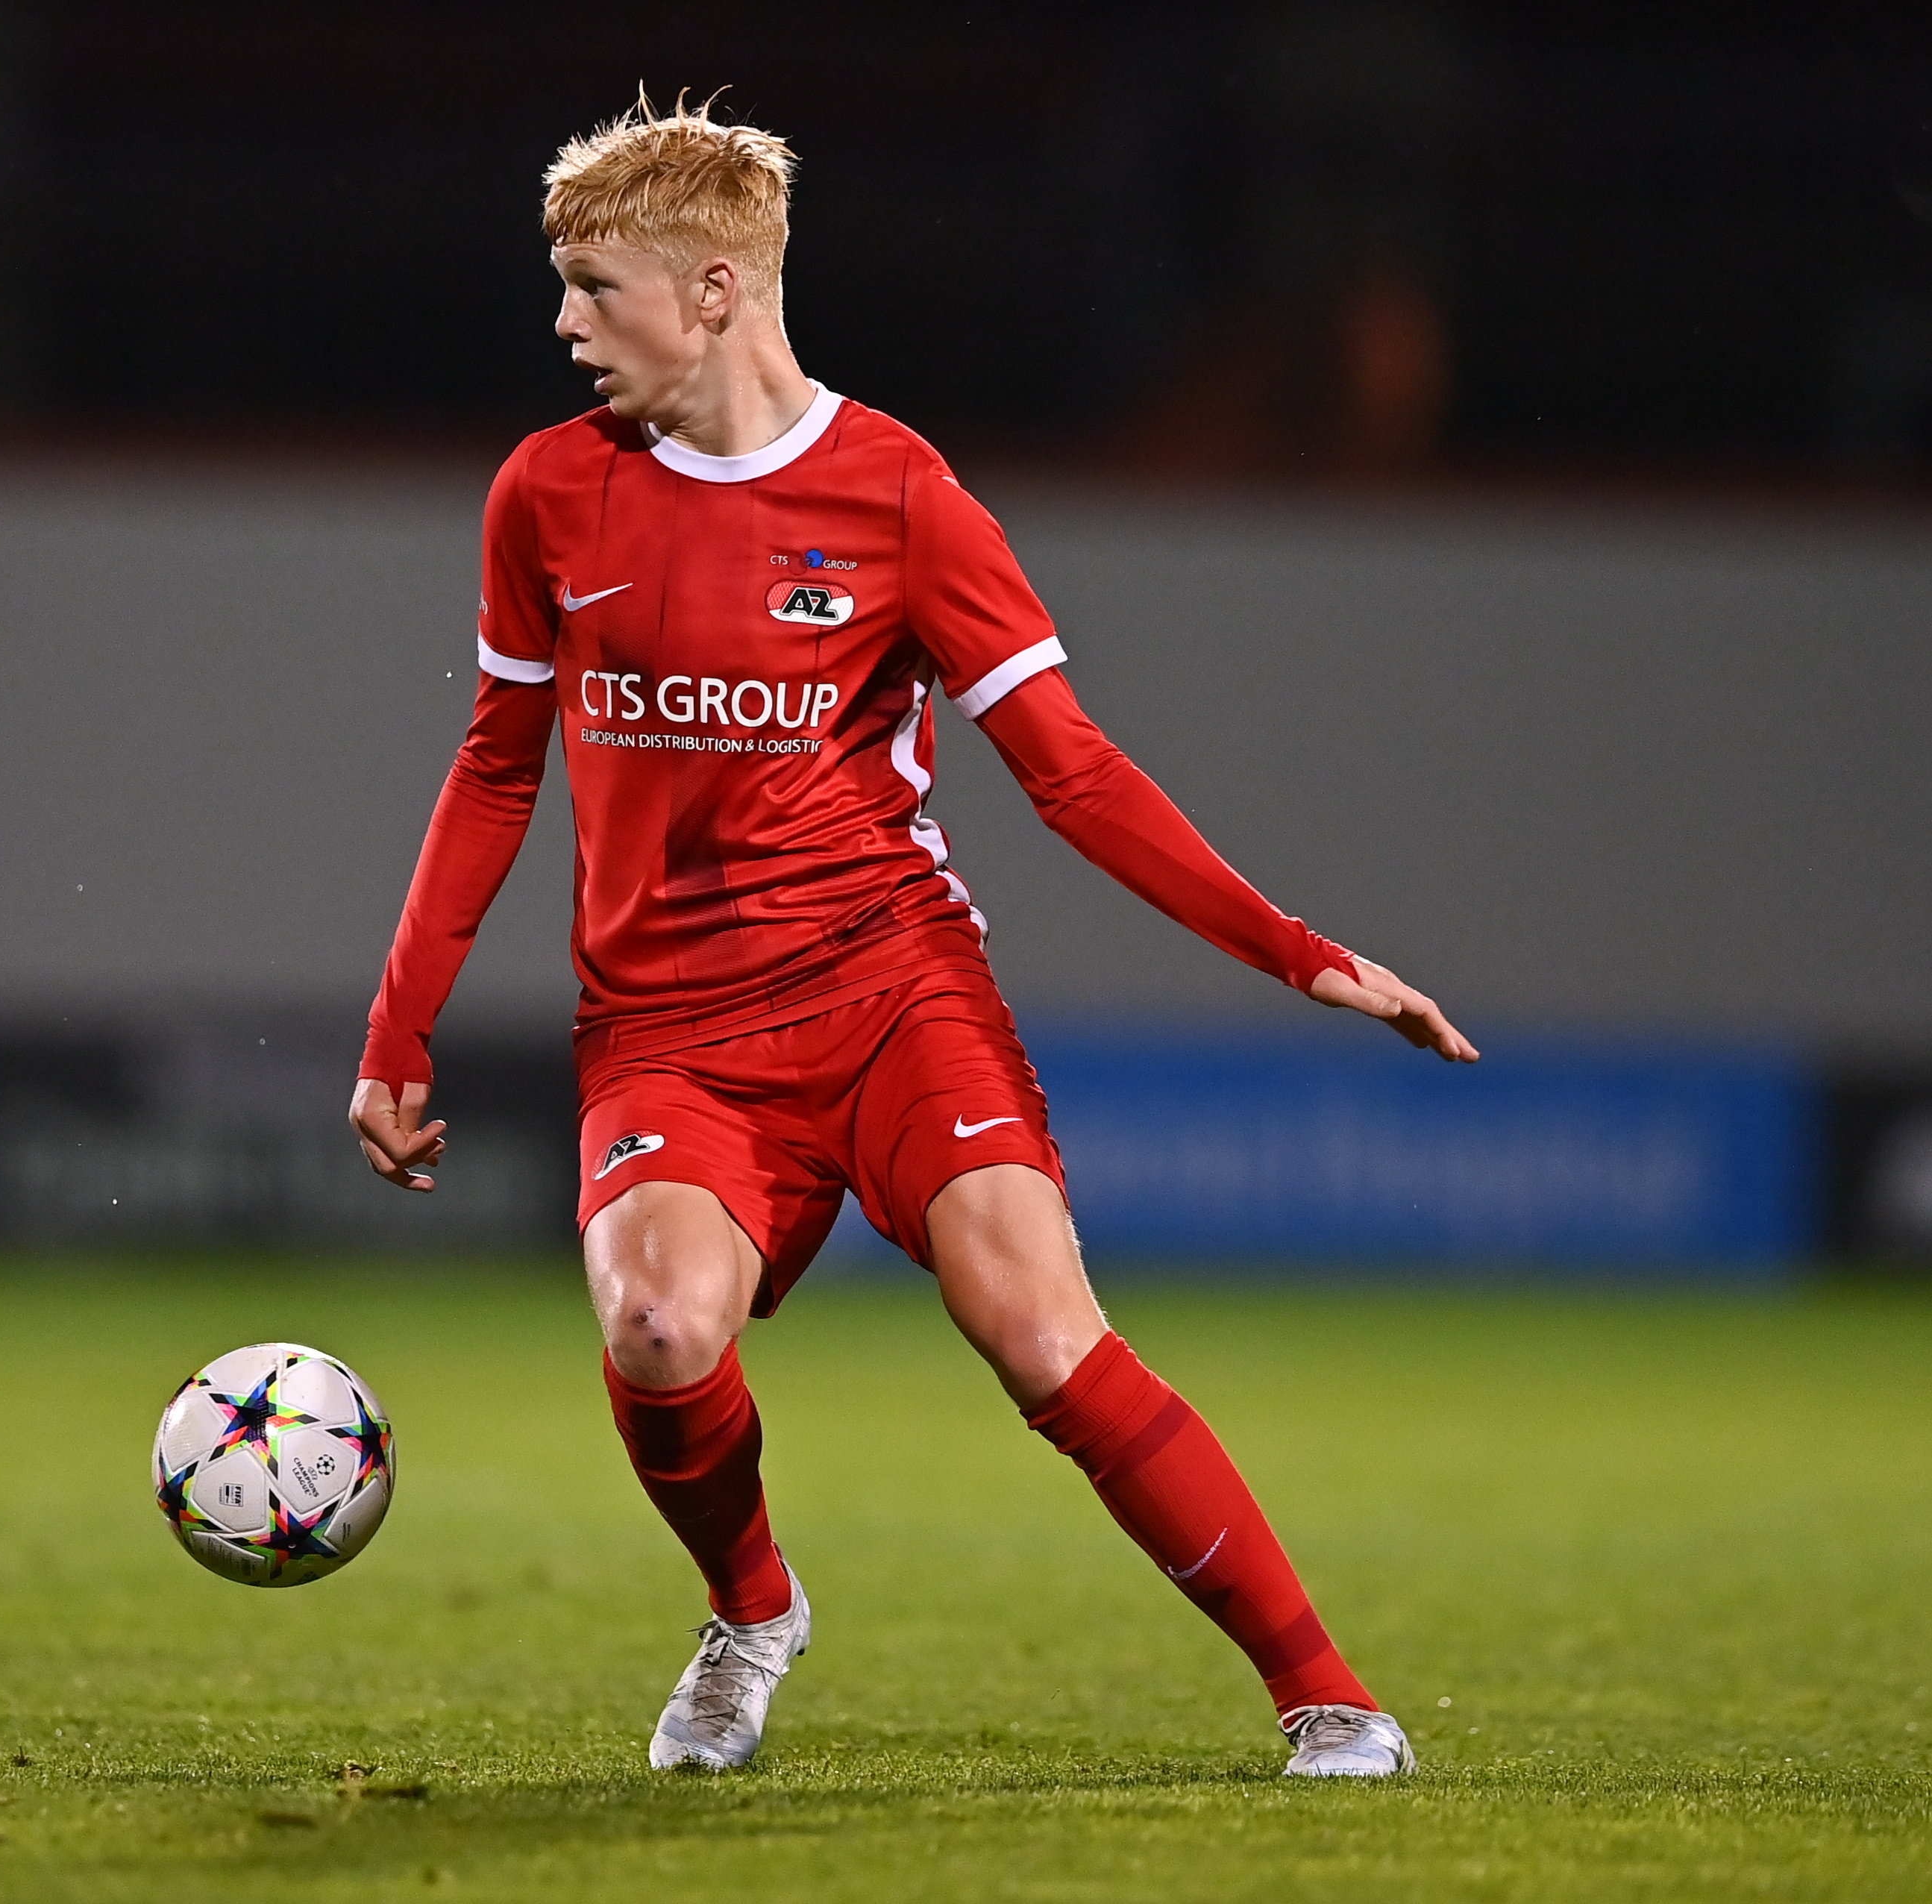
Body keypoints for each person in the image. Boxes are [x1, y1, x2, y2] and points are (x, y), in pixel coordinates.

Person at [349, 95, 1476, 1779]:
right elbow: (497, 767)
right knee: (658, 1334)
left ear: (719, 290)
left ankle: (1326, 1690)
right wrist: (396, 1031)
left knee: (1040, 1331)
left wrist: (1295, 948)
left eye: (595, 286)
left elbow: (1073, 774)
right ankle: (754, 1609)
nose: (565, 324)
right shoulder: (549, 498)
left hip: (892, 992)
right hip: (668, 1027)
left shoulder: (897, 495)